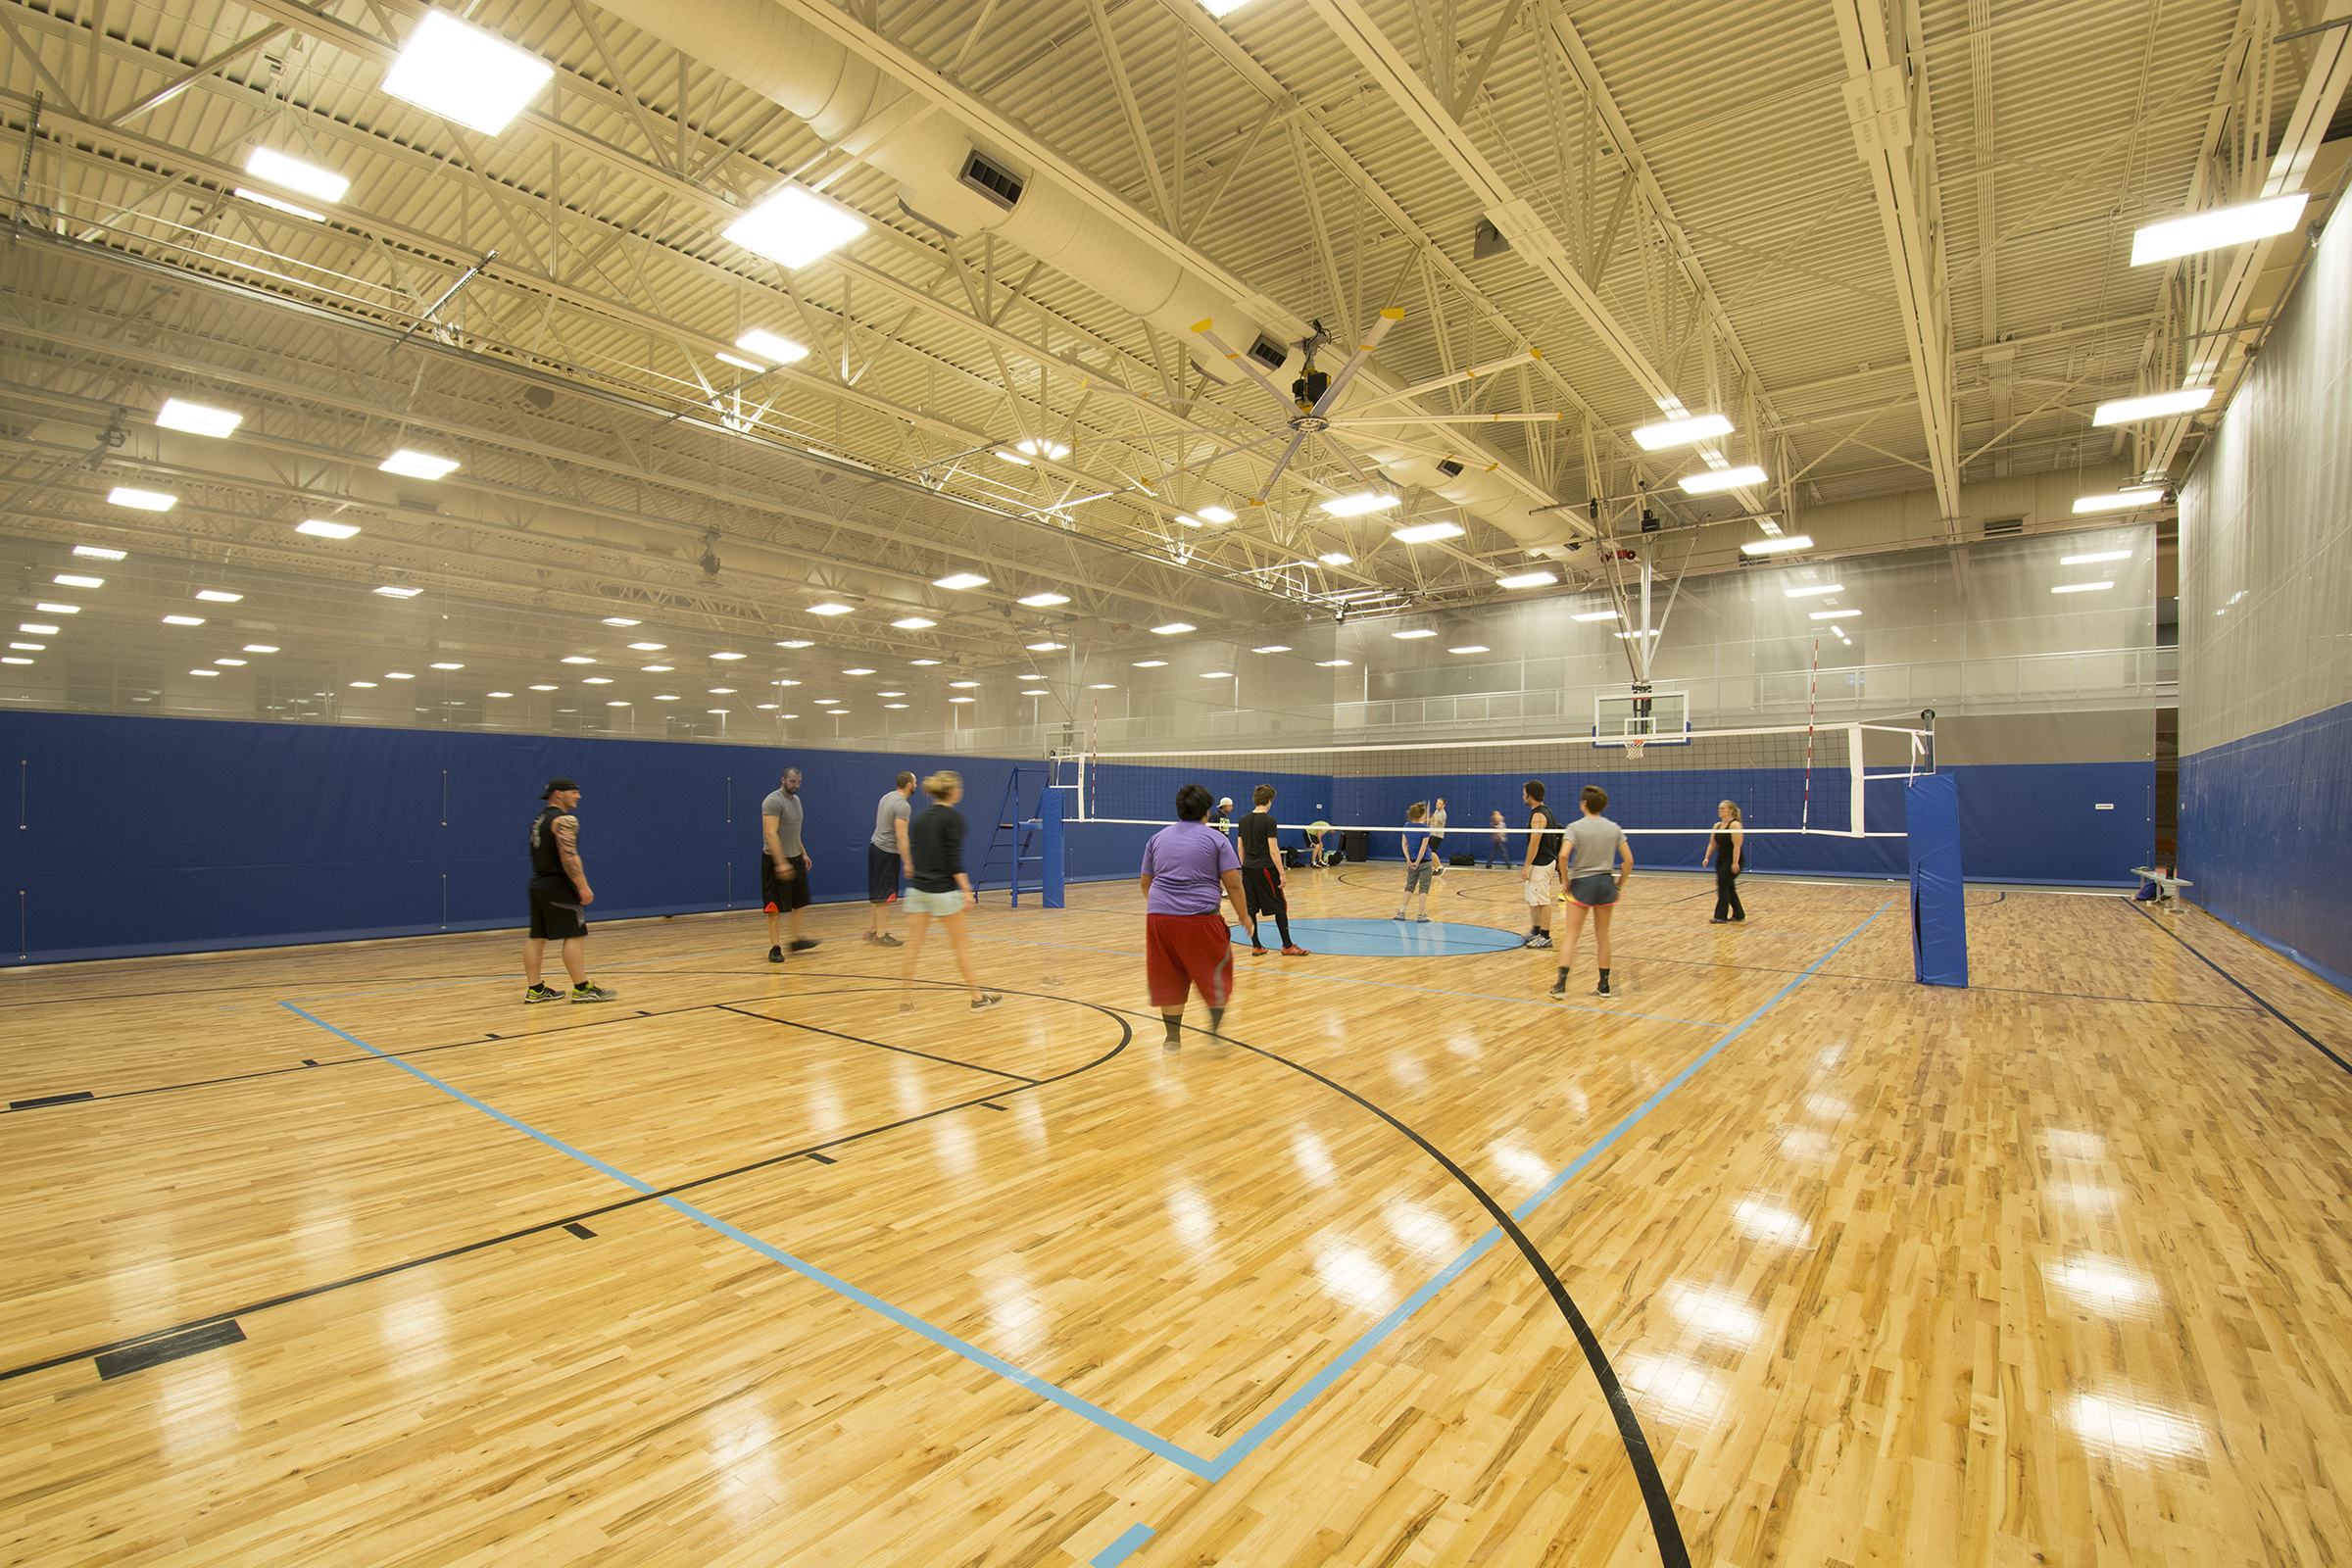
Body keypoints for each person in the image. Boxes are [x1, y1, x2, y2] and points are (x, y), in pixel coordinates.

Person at [1141, 783, 1254, 1047]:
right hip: (1200, 919)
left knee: (1167, 973)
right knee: (1215, 971)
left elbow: (1146, 883)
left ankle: (1172, 1040)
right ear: (1206, 812)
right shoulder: (1217, 839)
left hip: (1158, 919)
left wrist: (1165, 907)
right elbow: (1233, 883)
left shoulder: (1157, 838)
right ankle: (1214, 1034)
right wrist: (1244, 916)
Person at [899, 771, 1003, 1011]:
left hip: (918, 891)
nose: (961, 791)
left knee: (912, 947)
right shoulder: (954, 819)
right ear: (952, 791)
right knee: (961, 947)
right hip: (943, 892)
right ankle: (977, 999)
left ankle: (905, 1001)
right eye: (960, 787)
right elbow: (952, 859)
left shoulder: (921, 818)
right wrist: (966, 890)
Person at [524, 778, 616, 1003]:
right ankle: (582, 988)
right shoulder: (565, 820)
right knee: (575, 934)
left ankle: (535, 989)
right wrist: (583, 886)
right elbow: (568, 856)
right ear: (558, 794)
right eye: (574, 792)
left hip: (538, 883)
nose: (578, 796)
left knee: (537, 937)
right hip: (557, 884)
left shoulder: (540, 819)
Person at [1550, 784, 1635, 999]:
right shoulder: (1614, 828)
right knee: (1602, 936)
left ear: (1584, 804)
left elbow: (1562, 855)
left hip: (1582, 883)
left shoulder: (1575, 827)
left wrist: (1565, 880)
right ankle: (1604, 986)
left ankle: (1560, 986)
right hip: (1606, 882)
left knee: (1571, 935)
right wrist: (1619, 886)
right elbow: (1629, 861)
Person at [1239, 784, 1309, 956]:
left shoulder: (1243, 820)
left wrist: (1246, 865)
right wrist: (1281, 873)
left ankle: (1256, 946)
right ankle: (1287, 946)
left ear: (1254, 799)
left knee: (1251, 908)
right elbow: (1273, 850)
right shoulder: (1269, 821)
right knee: (1279, 906)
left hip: (1247, 869)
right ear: (1270, 801)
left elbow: (1240, 848)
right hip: (1266, 870)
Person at [866, 771, 916, 945]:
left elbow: (877, 823)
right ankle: (880, 935)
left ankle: (873, 930)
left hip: (874, 847)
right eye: (915, 782)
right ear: (909, 785)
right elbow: (901, 836)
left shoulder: (886, 797)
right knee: (884, 895)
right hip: (886, 852)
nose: (916, 785)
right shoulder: (903, 805)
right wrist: (908, 863)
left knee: (877, 892)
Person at [1518, 780, 1563, 948]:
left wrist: (1526, 865)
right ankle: (1536, 932)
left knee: (1542, 900)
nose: (1523, 796)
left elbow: (1535, 843)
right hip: (1545, 862)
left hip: (1541, 863)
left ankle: (1545, 936)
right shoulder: (1546, 811)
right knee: (1533, 899)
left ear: (1530, 795)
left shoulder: (1539, 815)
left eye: (1524, 793)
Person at [1701, 799, 1745, 924]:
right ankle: (1739, 914)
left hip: (1733, 859)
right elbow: (1712, 844)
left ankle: (1720, 916)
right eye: (1719, 808)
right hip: (1721, 859)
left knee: (1722, 886)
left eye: (1722, 809)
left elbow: (1737, 846)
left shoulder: (1735, 825)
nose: (1719, 810)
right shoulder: (1717, 825)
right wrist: (1707, 857)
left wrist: (1735, 863)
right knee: (1728, 887)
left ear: (1730, 811)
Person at [1395, 802, 1437, 922]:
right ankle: (1421, 914)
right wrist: (1418, 861)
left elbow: (1404, 844)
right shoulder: (1425, 828)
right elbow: (1424, 848)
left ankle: (1402, 912)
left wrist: (1409, 859)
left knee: (1409, 887)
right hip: (1425, 861)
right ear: (1423, 814)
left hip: (1412, 861)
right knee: (1424, 888)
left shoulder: (1407, 826)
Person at [1429, 796, 1448, 874]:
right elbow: (1433, 820)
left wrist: (1431, 818)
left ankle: (1440, 867)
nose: (1437, 804)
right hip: (1432, 834)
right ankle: (1436, 868)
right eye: (1437, 802)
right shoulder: (1436, 811)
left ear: (1443, 805)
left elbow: (1436, 822)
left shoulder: (1442, 813)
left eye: (1440, 803)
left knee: (1431, 852)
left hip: (1437, 835)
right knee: (1428, 852)